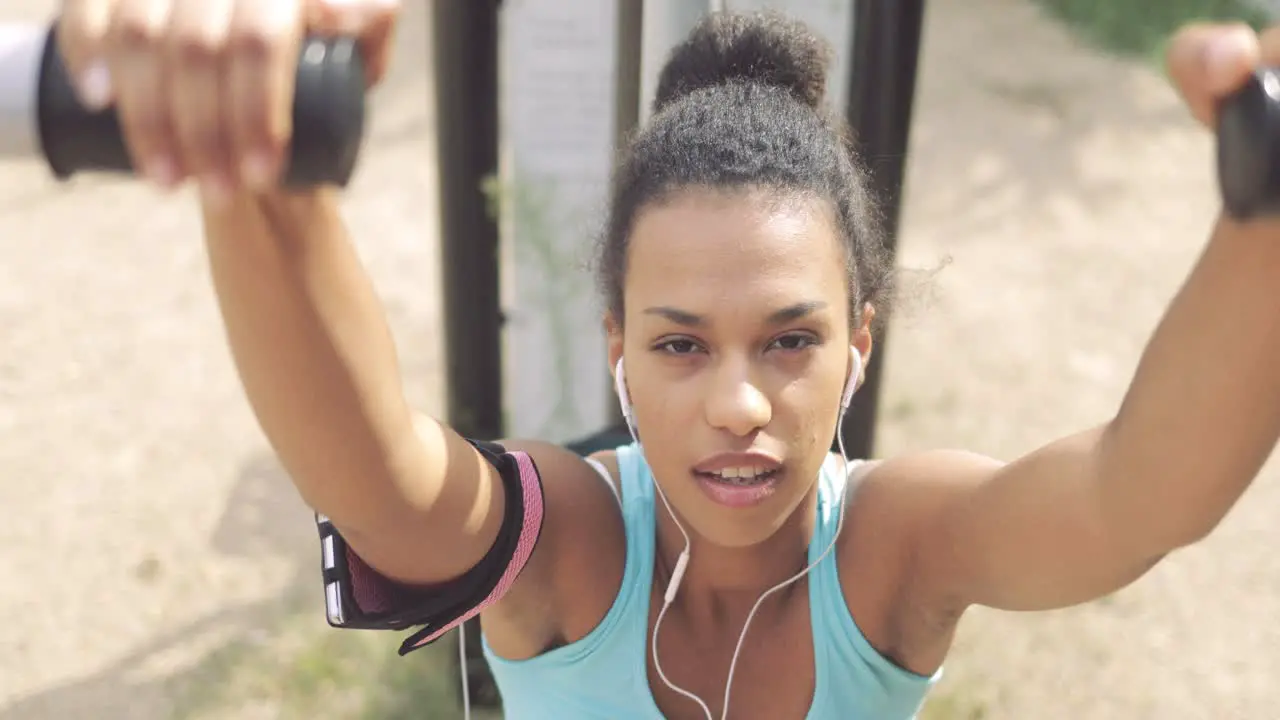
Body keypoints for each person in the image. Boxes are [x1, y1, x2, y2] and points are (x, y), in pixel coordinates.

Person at [54, 0, 1280, 718]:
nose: (737, 402)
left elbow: (1133, 500)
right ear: (616, 354)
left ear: (859, 345)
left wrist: (1263, 224)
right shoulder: (579, 547)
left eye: (791, 340)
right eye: (678, 345)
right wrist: (259, 185)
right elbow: (384, 489)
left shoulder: (895, 547)